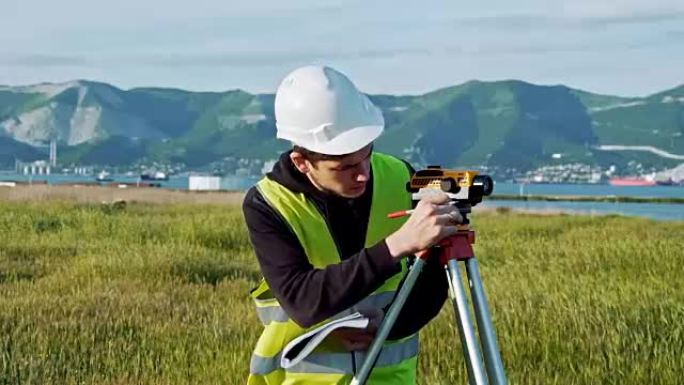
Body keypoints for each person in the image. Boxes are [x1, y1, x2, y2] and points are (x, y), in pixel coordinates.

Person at [243, 65, 463, 385]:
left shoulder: (400, 176)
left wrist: (388, 327)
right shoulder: (267, 204)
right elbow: (302, 300)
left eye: (366, 156)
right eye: (344, 167)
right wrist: (398, 245)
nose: (362, 174)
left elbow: (431, 282)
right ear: (302, 163)